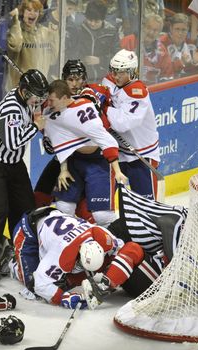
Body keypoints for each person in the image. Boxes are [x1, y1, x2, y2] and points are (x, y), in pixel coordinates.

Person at [0, 69, 48, 285]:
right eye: (36, 95)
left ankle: (21, 255)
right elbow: (13, 142)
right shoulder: (11, 108)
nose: (38, 100)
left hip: (13, 163)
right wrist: (36, 126)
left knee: (25, 210)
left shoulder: (26, 99)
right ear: (23, 91)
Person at [9, 206, 145, 308]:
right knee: (32, 286)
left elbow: (127, 250)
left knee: (69, 278)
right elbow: (40, 283)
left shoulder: (102, 235)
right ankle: (9, 261)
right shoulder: (62, 253)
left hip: (55, 218)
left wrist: (109, 280)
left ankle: (99, 282)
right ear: (79, 252)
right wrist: (63, 299)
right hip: (28, 230)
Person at [34, 60, 117, 227]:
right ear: (64, 79)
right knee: (40, 198)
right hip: (69, 158)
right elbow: (51, 145)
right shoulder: (53, 101)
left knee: (95, 214)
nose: (75, 83)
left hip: (97, 160)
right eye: (70, 79)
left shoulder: (92, 92)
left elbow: (94, 101)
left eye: (79, 78)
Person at [43, 79, 128, 221]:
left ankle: (115, 242)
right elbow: (61, 143)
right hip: (75, 162)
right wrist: (63, 169)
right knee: (63, 207)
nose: (49, 104)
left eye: (52, 100)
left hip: (99, 162)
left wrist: (118, 171)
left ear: (64, 98)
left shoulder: (83, 110)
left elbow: (107, 140)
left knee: (102, 216)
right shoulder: (52, 114)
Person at [102, 49, 161, 200]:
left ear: (132, 71)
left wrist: (104, 108)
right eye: (114, 71)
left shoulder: (138, 93)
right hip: (119, 153)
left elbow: (123, 123)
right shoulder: (108, 81)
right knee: (105, 200)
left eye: (121, 72)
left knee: (146, 206)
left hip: (141, 154)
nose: (116, 76)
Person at [5, 0, 59, 90]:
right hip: (19, 89)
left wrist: (54, 36)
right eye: (29, 10)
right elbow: (16, 46)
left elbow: (53, 59)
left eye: (36, 11)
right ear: (23, 12)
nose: (32, 14)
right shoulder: (16, 30)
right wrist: (15, 21)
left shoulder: (45, 32)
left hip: (40, 88)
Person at [73, 0, 119, 83]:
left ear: (103, 19)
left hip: (104, 77)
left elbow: (117, 56)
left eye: (97, 21)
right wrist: (82, 60)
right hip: (82, 77)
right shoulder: (78, 29)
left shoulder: (111, 32)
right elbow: (72, 53)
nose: (92, 24)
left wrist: (100, 60)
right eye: (90, 20)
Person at [121, 13, 174, 84]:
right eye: (148, 28)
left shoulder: (162, 51)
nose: (151, 32)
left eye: (155, 30)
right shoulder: (127, 41)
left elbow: (167, 77)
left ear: (159, 33)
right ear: (143, 27)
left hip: (152, 91)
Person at [159, 13, 198, 78]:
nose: (180, 33)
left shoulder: (191, 45)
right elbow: (163, 72)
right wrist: (181, 62)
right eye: (177, 29)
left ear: (188, 30)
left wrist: (195, 62)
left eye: (183, 30)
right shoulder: (161, 43)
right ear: (171, 28)